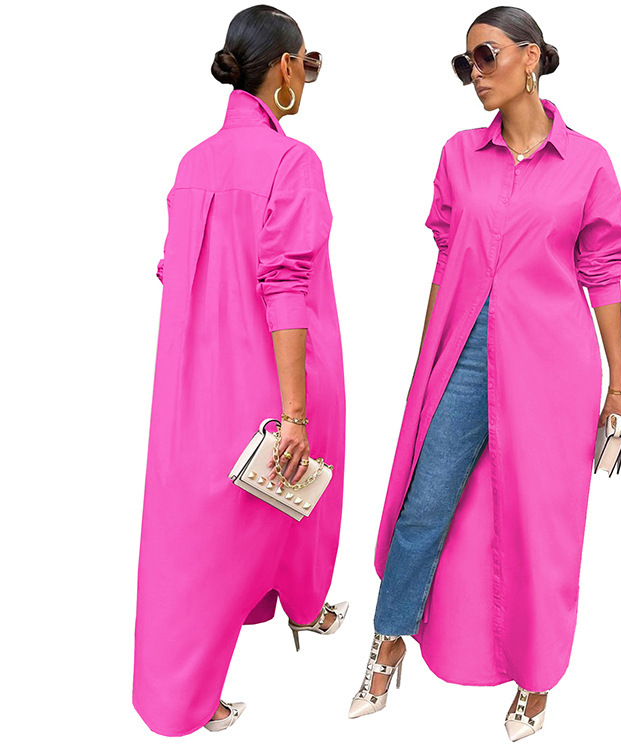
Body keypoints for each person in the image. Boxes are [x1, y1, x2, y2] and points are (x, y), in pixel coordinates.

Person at [348, 6, 621, 742]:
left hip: (554, 367)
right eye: (465, 63)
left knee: (542, 527)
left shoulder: (589, 162)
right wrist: (429, 359)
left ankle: (537, 678)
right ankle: (388, 641)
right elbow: (446, 257)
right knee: (425, 504)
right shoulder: (457, 154)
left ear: (530, 57)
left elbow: (603, 271)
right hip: (469, 354)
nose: (474, 74)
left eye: (486, 55)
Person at [132, 5, 347, 736]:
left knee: (195, 541)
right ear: (285, 66)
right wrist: (293, 412)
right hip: (280, 372)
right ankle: (296, 612)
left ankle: (284, 615)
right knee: (296, 485)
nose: (306, 77)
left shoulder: (193, 162)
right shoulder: (293, 161)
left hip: (197, 384)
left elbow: (174, 273)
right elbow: (285, 283)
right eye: (306, 64)